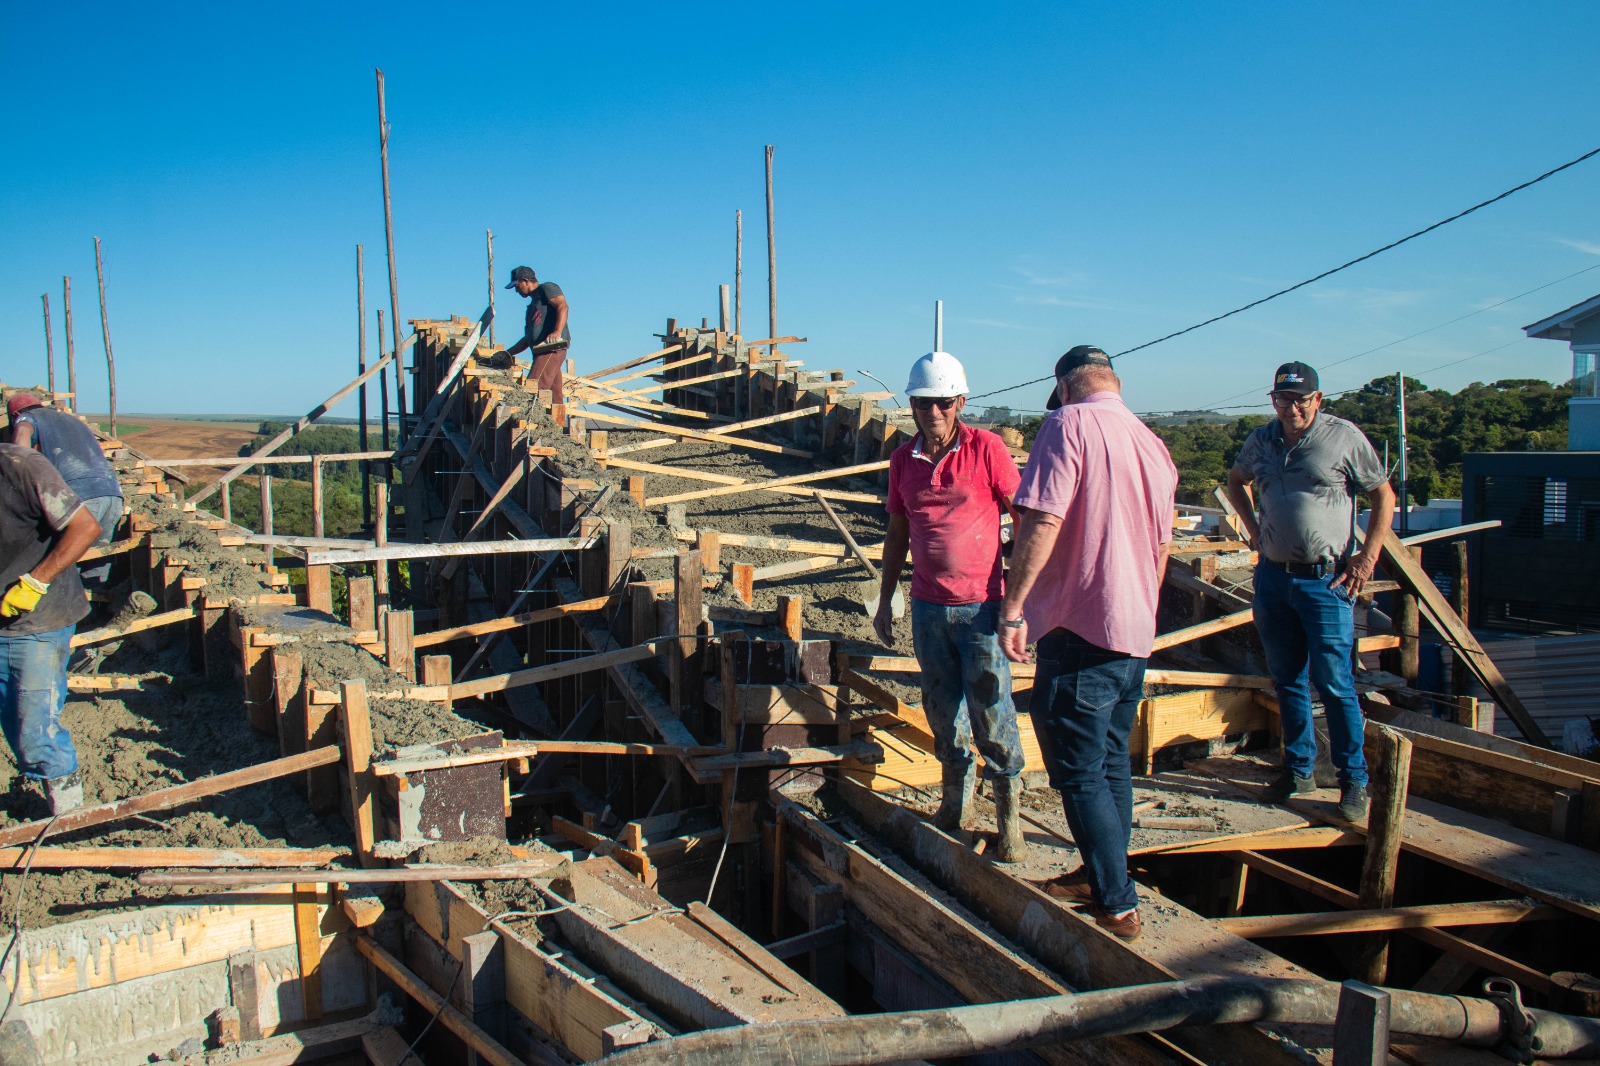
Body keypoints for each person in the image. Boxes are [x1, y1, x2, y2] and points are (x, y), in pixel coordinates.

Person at [999, 346, 1178, 941]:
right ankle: (1100, 873)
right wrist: (1143, 613)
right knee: (1108, 762)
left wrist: (1015, 606)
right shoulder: (1153, 444)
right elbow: (1160, 547)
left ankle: (1116, 901)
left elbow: (1042, 520)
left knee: (1076, 769)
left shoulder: (1065, 424)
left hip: (1081, 627)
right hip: (1132, 630)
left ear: (1065, 386)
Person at [874, 352, 1027, 860]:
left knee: (992, 709)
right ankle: (955, 806)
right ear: (912, 406)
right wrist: (884, 599)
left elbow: (1024, 518)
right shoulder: (903, 461)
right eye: (923, 403)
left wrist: (1025, 597)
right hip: (927, 608)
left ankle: (1009, 820)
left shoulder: (987, 449)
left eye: (942, 403)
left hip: (982, 608)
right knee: (942, 710)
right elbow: (897, 535)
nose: (933, 412)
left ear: (960, 402)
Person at [1226, 361, 1395, 823]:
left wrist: (1367, 557)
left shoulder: (1342, 438)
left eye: (1302, 399)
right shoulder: (1262, 441)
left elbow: (1384, 496)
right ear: (1273, 400)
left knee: (1336, 683)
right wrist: (1254, 530)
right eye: (1284, 399)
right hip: (1274, 578)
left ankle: (1353, 781)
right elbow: (1235, 481)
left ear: (1318, 400)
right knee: (1287, 680)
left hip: (1325, 580)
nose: (1293, 407)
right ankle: (1298, 769)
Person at [0, 443, 103, 814]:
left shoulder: (21, 467)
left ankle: (69, 815)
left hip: (37, 617)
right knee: (14, 721)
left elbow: (85, 527)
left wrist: (34, 582)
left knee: (35, 734)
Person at [8, 393, 124, 588]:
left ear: (16, 414)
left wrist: (18, 474)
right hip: (112, 496)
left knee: (58, 565)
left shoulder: (27, 418)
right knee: (95, 564)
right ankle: (92, 615)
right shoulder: (71, 420)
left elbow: (21, 439)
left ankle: (66, 616)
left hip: (80, 498)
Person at [503, 266, 571, 405]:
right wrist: (508, 353)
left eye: (516, 285)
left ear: (525, 281)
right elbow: (528, 339)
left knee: (532, 388)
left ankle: (525, 425)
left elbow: (563, 306)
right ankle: (556, 426)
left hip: (551, 349)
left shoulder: (546, 288)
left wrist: (557, 331)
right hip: (541, 353)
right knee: (554, 398)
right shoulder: (532, 307)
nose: (516, 290)